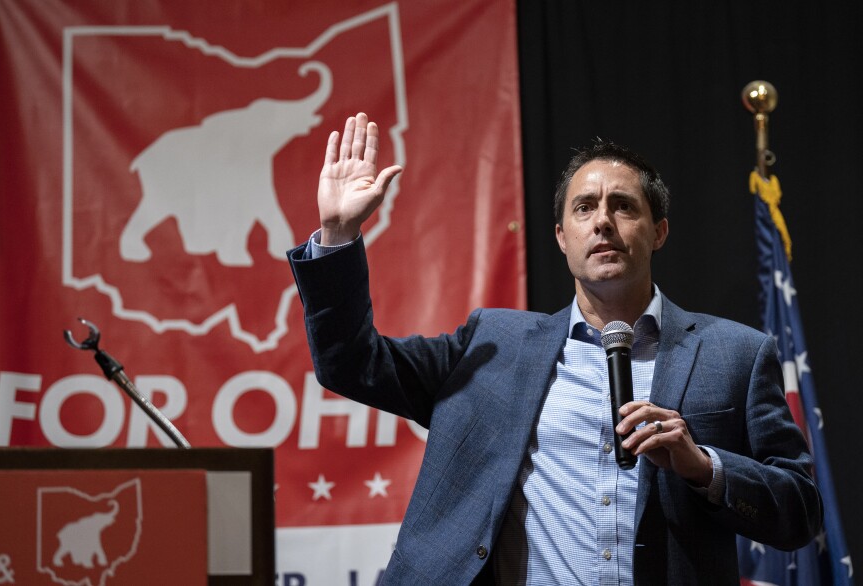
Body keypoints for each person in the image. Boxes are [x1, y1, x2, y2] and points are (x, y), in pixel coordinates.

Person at [287, 113, 821, 585]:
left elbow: (800, 510)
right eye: (585, 208)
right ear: (563, 237)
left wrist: (702, 465)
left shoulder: (736, 354)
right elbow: (350, 364)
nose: (603, 221)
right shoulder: (493, 345)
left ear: (658, 232)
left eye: (623, 207)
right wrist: (337, 234)